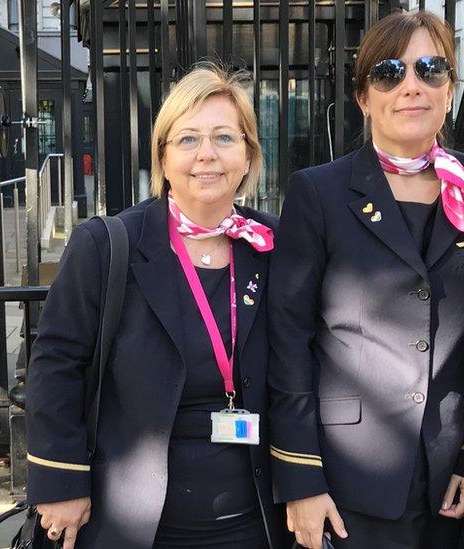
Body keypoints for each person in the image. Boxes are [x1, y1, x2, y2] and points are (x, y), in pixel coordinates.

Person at [267, 11, 464, 549]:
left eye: (430, 69)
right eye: (389, 72)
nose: (411, 87)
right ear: (363, 96)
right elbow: (287, 339)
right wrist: (301, 478)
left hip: (453, 475)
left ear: (450, 89)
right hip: (349, 476)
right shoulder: (319, 193)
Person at [25, 66, 285, 549]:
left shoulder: (274, 245)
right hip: (131, 520)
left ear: (249, 155)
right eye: (188, 139)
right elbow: (56, 364)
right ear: (163, 157)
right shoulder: (106, 246)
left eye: (224, 137)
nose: (206, 154)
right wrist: (60, 482)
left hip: (254, 518)